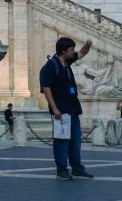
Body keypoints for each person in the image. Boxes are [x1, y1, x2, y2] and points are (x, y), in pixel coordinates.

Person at [39, 37, 95, 181]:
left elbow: (82, 52)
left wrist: (88, 44)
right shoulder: (51, 66)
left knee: (75, 141)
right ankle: (62, 170)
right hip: (61, 110)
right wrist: (55, 109)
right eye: (71, 49)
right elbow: (46, 88)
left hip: (73, 108)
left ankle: (77, 168)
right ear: (63, 51)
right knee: (62, 141)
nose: (74, 51)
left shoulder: (67, 60)